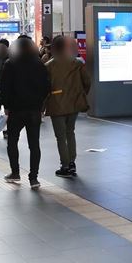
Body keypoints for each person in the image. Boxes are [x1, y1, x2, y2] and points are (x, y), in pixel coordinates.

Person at [0, 36, 50, 189]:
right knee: (34, 145)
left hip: (16, 110)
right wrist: (40, 104)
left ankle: (15, 172)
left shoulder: (10, 64)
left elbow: (4, 88)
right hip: (34, 110)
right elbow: (46, 86)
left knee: (12, 142)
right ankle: (34, 178)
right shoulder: (39, 64)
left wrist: (6, 106)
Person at [44, 35, 91, 178]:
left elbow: (45, 88)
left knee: (60, 136)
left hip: (56, 104)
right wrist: (80, 94)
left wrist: (43, 105)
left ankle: (64, 166)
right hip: (74, 103)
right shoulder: (77, 63)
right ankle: (72, 163)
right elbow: (87, 82)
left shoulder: (49, 66)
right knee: (70, 132)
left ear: (54, 48)